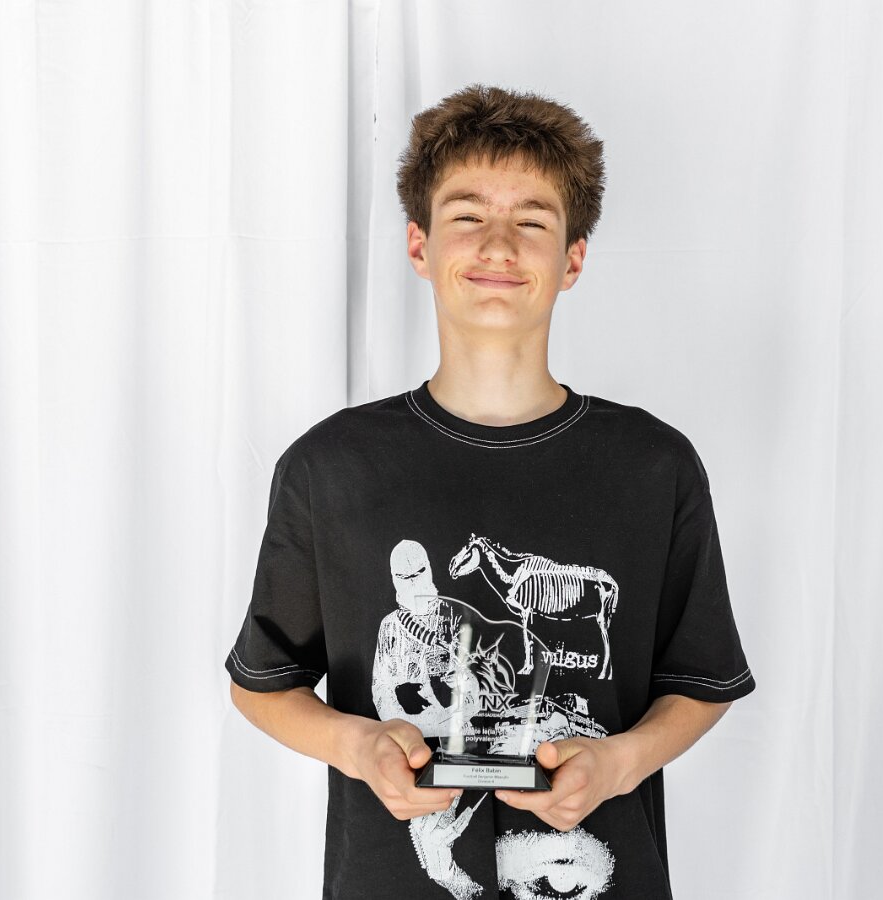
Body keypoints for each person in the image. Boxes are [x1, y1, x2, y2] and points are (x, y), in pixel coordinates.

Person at [225, 83, 757, 900]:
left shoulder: (655, 466)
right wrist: (359, 748)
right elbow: (263, 682)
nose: (499, 245)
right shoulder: (330, 467)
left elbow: (701, 678)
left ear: (571, 258)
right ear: (419, 245)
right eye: (468, 215)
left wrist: (619, 762)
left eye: (533, 222)